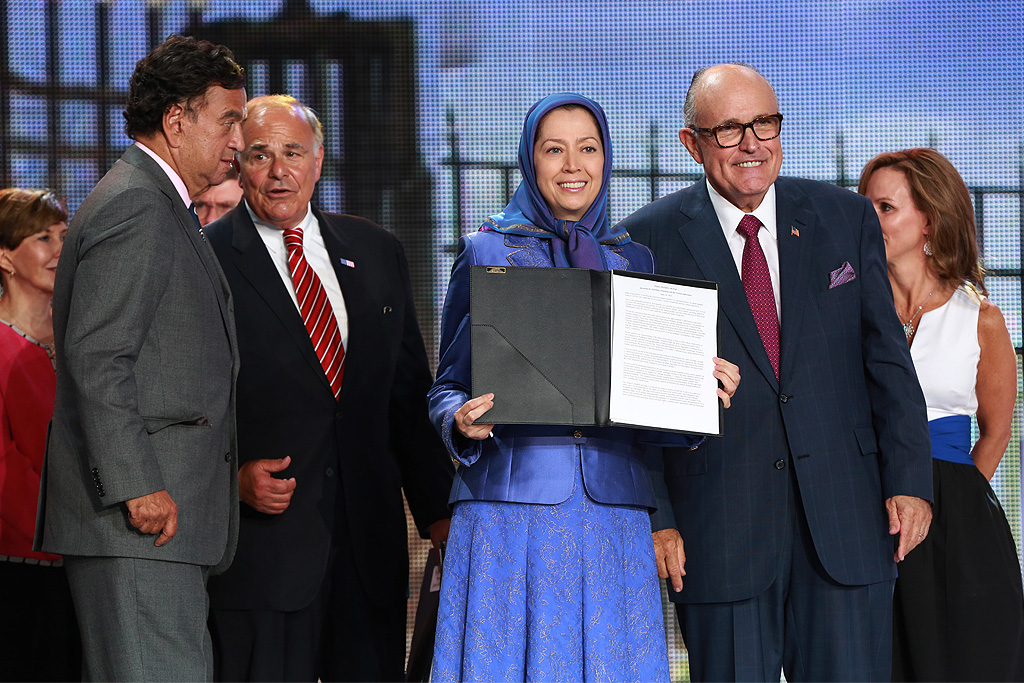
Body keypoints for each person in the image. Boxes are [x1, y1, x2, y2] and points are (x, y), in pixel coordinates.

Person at [616, 64, 933, 682]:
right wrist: (658, 517)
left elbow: (888, 364)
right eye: (730, 130)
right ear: (692, 143)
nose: (753, 144)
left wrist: (911, 480)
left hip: (847, 525)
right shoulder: (646, 240)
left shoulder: (846, 217)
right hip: (719, 532)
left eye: (765, 123)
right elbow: (636, 399)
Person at [428, 92, 740, 682]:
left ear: (606, 159)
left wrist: (697, 392)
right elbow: (445, 386)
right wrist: (458, 419)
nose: (573, 165)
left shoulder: (634, 262)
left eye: (588, 148)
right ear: (530, 160)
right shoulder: (487, 250)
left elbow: (650, 407)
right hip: (507, 515)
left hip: (612, 517)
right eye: (555, 150)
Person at [204, 94, 454, 682]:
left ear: (319, 161)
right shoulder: (205, 260)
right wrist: (228, 480)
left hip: (368, 554)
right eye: (261, 155)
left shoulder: (376, 250)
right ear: (239, 166)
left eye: (293, 152)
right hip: (263, 558)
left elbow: (406, 397)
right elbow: (183, 401)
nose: (278, 169)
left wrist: (441, 517)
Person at [34, 34, 245, 681]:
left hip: (155, 534)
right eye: (228, 120)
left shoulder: (157, 203)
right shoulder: (137, 204)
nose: (238, 142)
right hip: (140, 526)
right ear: (177, 118)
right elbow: (98, 356)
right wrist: (137, 484)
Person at [859, 148, 1024, 681]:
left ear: (929, 219)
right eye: (866, 207)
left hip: (958, 532)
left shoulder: (982, 319)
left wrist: (952, 502)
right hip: (861, 514)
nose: (869, 219)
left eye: (885, 207)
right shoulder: (846, 309)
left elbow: (997, 431)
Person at [0, 188, 80, 682]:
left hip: (86, 564)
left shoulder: (85, 338)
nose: (58, 249)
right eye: (41, 237)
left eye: (64, 236)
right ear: (4, 257)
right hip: (18, 566)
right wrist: (68, 528)